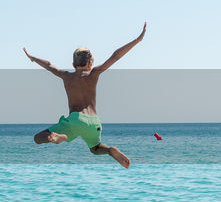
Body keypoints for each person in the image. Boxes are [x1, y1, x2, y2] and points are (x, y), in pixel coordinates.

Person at [23, 23, 146, 168]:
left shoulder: (66, 76)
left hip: (76, 119)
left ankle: (53, 137)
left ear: (73, 64)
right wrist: (137, 40)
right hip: (94, 122)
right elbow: (115, 56)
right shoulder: (94, 73)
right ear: (90, 64)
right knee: (95, 148)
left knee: (38, 138)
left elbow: (49, 65)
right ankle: (110, 150)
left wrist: (32, 58)